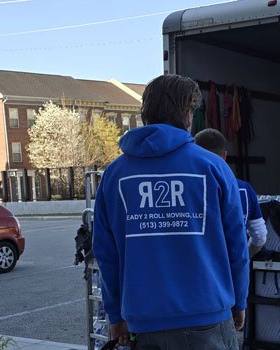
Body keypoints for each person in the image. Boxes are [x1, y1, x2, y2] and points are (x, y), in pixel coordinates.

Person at [92, 74, 249, 350]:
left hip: (145, 322)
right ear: (187, 115)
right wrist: (239, 300)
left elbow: (107, 254)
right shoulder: (212, 166)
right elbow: (236, 244)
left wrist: (115, 314)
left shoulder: (115, 175)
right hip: (207, 317)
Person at [194, 128, 267, 257]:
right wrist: (243, 256)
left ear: (194, 155)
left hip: (201, 268)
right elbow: (260, 237)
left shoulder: (189, 188)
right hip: (233, 271)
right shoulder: (244, 189)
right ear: (224, 156)